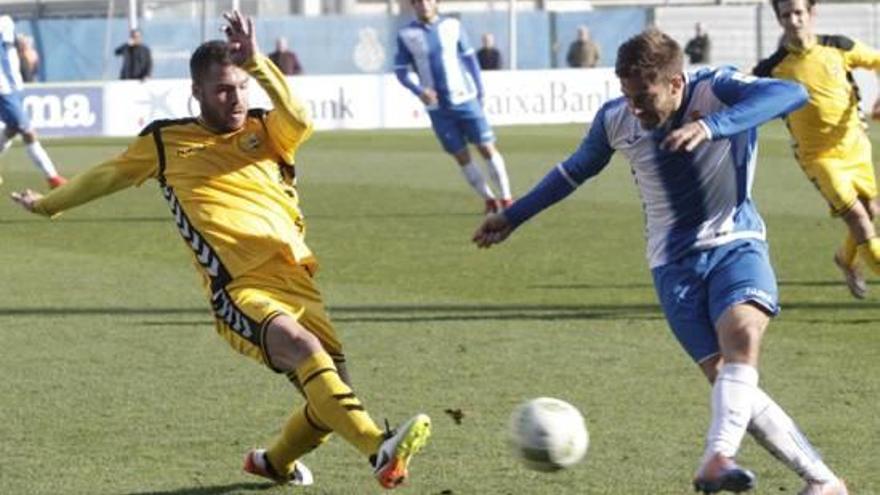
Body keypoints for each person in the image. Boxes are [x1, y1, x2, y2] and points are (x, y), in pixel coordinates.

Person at [10, 10, 430, 491]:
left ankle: (272, 463)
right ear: (198, 93)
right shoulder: (166, 141)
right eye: (222, 90)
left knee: (332, 402)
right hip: (239, 289)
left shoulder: (268, 130)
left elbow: (301, 117)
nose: (235, 98)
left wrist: (258, 64)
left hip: (298, 281)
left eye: (240, 87)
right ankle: (381, 449)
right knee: (305, 351)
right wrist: (49, 206)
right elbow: (106, 176)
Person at [474, 29, 848, 495]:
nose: (635, 108)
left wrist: (711, 126)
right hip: (672, 267)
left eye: (644, 97)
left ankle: (717, 458)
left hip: (736, 241)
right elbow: (572, 171)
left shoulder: (716, 89)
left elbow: (790, 93)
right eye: (628, 96)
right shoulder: (615, 120)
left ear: (675, 83)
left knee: (743, 335)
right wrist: (513, 216)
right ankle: (824, 482)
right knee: (731, 386)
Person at [754, 0, 880, 300]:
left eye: (799, 13)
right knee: (859, 221)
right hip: (819, 159)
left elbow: (877, 61)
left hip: (856, 147)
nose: (794, 20)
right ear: (779, 20)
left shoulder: (839, 46)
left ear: (812, 14)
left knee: (871, 211)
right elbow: (741, 93)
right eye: (786, 15)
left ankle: (845, 259)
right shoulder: (772, 68)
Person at [395, 0, 513, 214]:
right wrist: (419, 90)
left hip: (465, 99)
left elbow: (470, 60)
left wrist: (479, 91)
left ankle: (506, 198)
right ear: (413, 5)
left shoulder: (452, 26)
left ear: (436, 3)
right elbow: (401, 71)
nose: (423, 4)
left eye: (428, 0)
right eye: (418, 1)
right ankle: (489, 199)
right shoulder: (406, 35)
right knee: (461, 156)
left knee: (486, 147)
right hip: (438, 109)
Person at [0, 15, 66, 189]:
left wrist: (23, 48)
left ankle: (53, 178)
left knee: (12, 129)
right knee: (28, 132)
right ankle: (52, 177)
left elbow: (16, 49)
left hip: (14, 85)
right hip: (3, 88)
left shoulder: (6, 22)